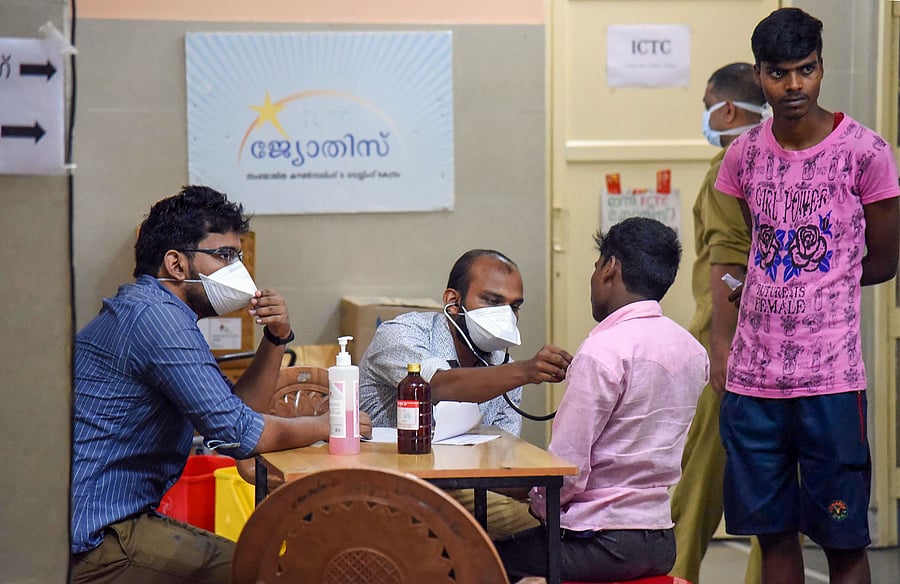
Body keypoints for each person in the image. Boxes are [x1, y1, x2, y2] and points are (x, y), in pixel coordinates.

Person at [70, 185, 372, 584]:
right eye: (224, 256)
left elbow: (237, 417)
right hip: (98, 540)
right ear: (176, 265)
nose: (239, 271)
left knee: (265, 560)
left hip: (113, 524)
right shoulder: (157, 319)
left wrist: (275, 337)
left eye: (239, 256)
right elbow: (239, 433)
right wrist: (335, 422)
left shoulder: (153, 311)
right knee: (271, 571)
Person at [715, 8, 900, 584]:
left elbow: (884, 260)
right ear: (759, 74)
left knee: (843, 541)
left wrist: (822, 284)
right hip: (754, 382)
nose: (793, 87)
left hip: (831, 383)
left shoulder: (866, 152)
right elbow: (756, 252)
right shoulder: (743, 155)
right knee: (773, 538)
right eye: (778, 73)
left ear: (822, 68)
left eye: (806, 70)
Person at [494, 217, 709, 582]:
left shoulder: (603, 351)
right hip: (659, 540)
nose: (593, 278)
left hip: (600, 542)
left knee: (484, 553)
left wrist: (537, 506)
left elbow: (568, 472)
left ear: (610, 268)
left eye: (596, 267)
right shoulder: (692, 351)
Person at [358, 248, 573, 537]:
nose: (505, 316)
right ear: (453, 301)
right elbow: (438, 385)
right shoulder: (402, 333)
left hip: (459, 487)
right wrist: (525, 371)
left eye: (514, 306)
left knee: (551, 527)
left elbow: (501, 463)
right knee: (536, 536)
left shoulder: (503, 366)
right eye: (492, 301)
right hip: (383, 487)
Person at [669, 62, 765, 584]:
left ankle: (676, 573)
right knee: (775, 485)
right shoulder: (787, 159)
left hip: (726, 340)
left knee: (701, 472)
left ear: (726, 108)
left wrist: (721, 349)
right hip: (786, 347)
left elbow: (727, 263)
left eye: (707, 103)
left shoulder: (728, 166)